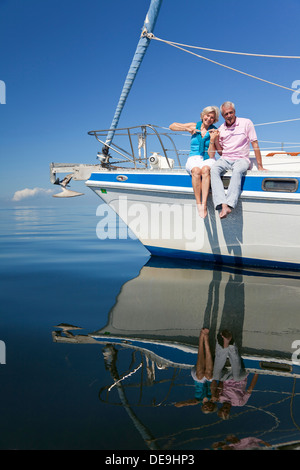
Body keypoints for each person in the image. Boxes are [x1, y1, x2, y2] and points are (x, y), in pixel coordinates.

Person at [211, 101, 266, 219]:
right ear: (223, 116)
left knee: (237, 171)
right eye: (226, 114)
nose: (229, 116)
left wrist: (260, 166)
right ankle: (222, 203)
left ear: (234, 112)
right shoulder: (221, 128)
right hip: (225, 158)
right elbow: (220, 152)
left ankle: (229, 205)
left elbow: (255, 144)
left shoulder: (246, 123)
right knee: (214, 169)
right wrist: (215, 139)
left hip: (241, 159)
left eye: (231, 113)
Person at [169, 106, 220, 218]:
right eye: (207, 115)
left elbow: (212, 154)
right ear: (203, 115)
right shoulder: (194, 125)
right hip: (194, 158)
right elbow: (172, 126)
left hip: (208, 158)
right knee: (196, 171)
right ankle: (198, 204)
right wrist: (186, 129)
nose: (209, 118)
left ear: (214, 120)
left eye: (212, 117)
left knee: (205, 170)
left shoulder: (214, 131)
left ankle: (204, 204)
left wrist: (212, 139)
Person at [210, 330, 259, 420]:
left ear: (221, 408)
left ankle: (223, 345)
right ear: (229, 411)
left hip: (226, 377)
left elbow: (219, 382)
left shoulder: (220, 399)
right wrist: (257, 373)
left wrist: (215, 393)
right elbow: (250, 389)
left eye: (223, 410)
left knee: (215, 376)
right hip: (240, 377)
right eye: (227, 411)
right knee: (236, 377)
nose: (225, 409)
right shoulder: (240, 403)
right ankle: (231, 344)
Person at [174, 328, 217, 414]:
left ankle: (201, 339)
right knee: (209, 375)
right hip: (210, 378)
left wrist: (184, 404)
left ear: (202, 406)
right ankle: (206, 340)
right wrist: (213, 394)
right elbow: (214, 383)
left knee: (200, 375)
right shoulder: (214, 397)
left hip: (198, 377)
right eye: (210, 408)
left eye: (205, 409)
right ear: (213, 406)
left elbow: (183, 403)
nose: (207, 407)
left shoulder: (198, 399)